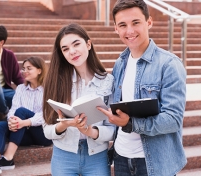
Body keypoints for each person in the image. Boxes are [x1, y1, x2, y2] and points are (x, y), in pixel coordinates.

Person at [97, 0, 187, 176]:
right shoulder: (120, 63)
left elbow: (174, 119)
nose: (129, 31)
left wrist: (131, 124)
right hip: (121, 156)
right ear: (116, 28)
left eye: (135, 22)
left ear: (149, 22)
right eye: (123, 25)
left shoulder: (169, 64)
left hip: (154, 162)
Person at [42, 23, 115, 176]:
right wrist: (64, 125)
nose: (72, 52)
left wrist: (89, 131)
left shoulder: (108, 81)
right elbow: (47, 129)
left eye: (76, 44)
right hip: (64, 156)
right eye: (65, 49)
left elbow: (113, 129)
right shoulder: (55, 82)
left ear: (88, 44)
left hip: (97, 156)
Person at [0, 56, 52, 176]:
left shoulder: (49, 89)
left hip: (43, 134)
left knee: (22, 111)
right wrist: (12, 120)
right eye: (23, 68)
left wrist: (24, 122)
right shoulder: (21, 88)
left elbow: (47, 116)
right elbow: (13, 109)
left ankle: (7, 158)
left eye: (29, 68)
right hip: (23, 133)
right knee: (2, 124)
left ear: (39, 70)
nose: (24, 71)